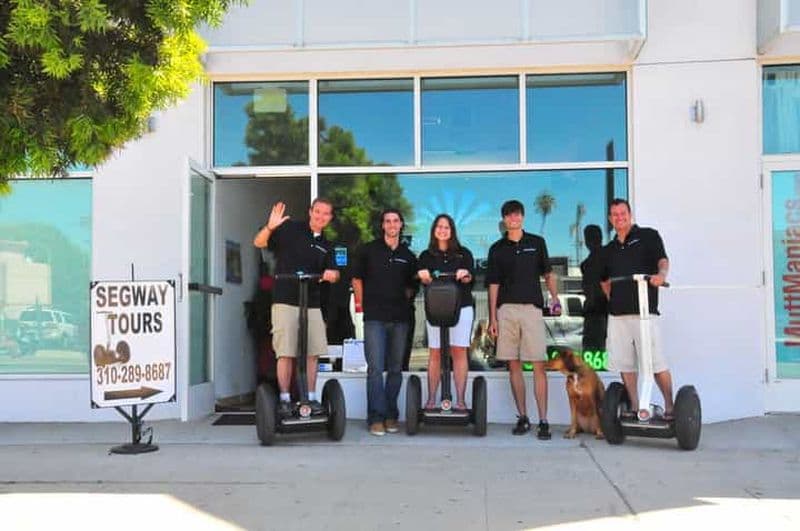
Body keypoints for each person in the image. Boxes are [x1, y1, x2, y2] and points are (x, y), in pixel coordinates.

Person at [253, 199, 340, 417]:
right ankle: (284, 398)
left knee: (312, 353)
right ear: (310, 211)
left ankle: (310, 397)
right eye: (317, 211)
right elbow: (259, 242)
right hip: (285, 300)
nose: (320, 216)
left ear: (330, 218)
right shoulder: (290, 230)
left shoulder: (327, 245)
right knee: (286, 352)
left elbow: (335, 273)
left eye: (326, 214)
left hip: (312, 303)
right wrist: (270, 227)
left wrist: (332, 275)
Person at [486, 200, 561, 439]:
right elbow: (493, 285)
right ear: (504, 220)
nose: (513, 219)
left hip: (532, 309)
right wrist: (492, 318)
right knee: (513, 365)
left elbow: (548, 274)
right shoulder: (497, 249)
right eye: (509, 215)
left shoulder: (537, 243)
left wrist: (555, 298)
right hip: (506, 310)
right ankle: (523, 417)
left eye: (517, 214)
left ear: (523, 217)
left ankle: (543, 421)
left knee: (538, 364)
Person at [600, 198, 673, 419]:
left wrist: (661, 276)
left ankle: (670, 407)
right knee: (625, 364)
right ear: (610, 219)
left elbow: (662, 260)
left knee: (655, 362)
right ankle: (634, 406)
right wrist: (613, 299)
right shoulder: (609, 249)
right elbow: (604, 281)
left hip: (645, 313)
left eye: (622, 213)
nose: (619, 217)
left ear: (630, 214)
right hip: (618, 315)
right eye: (615, 214)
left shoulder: (648, 236)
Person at [351, 209, 417, 436]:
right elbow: (357, 279)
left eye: (395, 221)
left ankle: (391, 415)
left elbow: (412, 287)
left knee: (396, 369)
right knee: (376, 369)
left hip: (400, 319)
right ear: (382, 225)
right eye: (387, 221)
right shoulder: (368, 250)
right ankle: (376, 418)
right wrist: (361, 305)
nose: (392, 224)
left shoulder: (408, 255)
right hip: (375, 319)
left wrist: (401, 301)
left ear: (401, 225)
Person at [417, 214, 475, 412]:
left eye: (446, 227)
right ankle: (432, 399)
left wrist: (464, 274)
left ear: (452, 231)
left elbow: (469, 277)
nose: (443, 230)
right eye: (439, 227)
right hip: (435, 309)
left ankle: (460, 400)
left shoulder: (463, 254)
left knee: (459, 351)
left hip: (461, 307)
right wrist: (423, 276)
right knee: (435, 352)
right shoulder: (426, 256)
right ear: (434, 230)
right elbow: (421, 276)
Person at [580, 224, 608, 354]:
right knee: (591, 348)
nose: (590, 242)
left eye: (592, 238)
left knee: (602, 347)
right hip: (592, 312)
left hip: (605, 311)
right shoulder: (586, 264)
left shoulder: (609, 257)